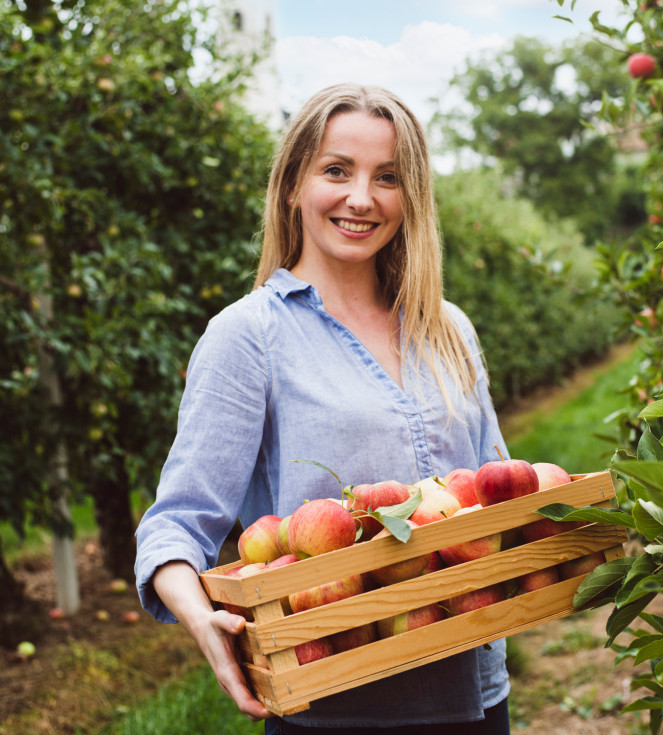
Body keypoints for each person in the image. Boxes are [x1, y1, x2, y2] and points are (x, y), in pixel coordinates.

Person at [134, 83, 511, 734]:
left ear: (411, 196)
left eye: (387, 177)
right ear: (292, 185)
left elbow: (498, 493)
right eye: (336, 170)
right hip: (335, 703)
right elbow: (176, 523)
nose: (361, 197)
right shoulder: (249, 337)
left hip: (476, 688)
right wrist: (204, 622)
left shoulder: (447, 328)